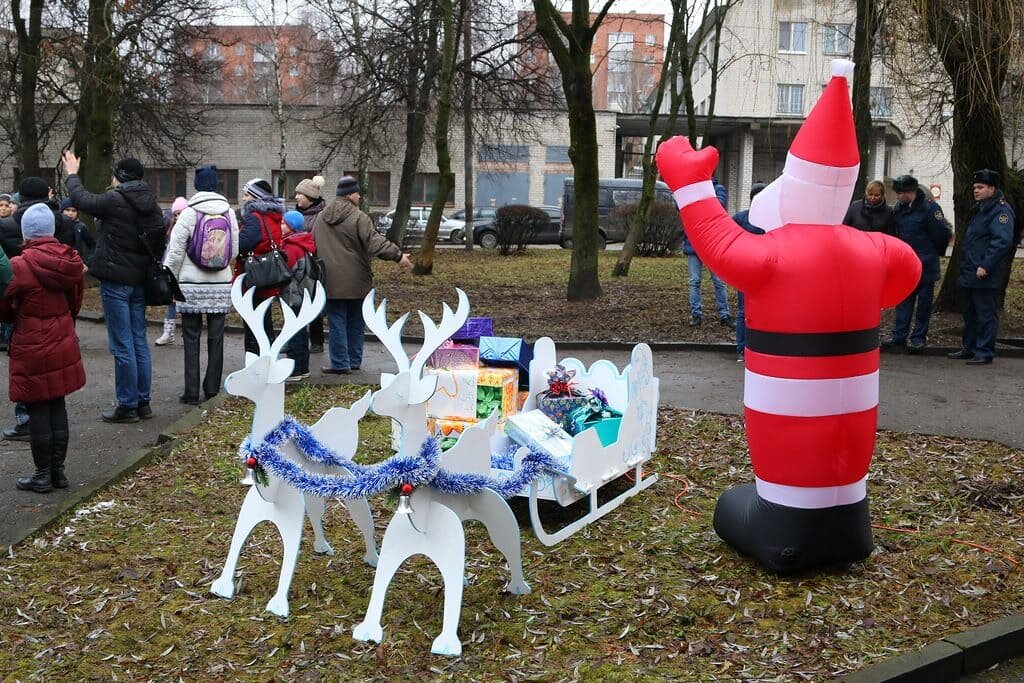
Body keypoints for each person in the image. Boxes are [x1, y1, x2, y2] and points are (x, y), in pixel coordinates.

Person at [62, 151, 165, 423]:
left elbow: (81, 199)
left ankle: (127, 405)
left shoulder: (115, 200)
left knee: (122, 344)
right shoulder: (153, 206)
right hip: (139, 282)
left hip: (116, 282)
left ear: (120, 177)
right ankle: (143, 402)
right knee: (138, 341)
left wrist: (72, 174)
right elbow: (159, 245)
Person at [0, 204, 85, 493]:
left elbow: (5, 305)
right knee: (57, 403)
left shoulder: (20, 265)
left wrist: (17, 319)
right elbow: (76, 299)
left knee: (38, 407)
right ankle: (58, 472)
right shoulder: (71, 259)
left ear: (26, 232)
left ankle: (42, 474)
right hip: (62, 336)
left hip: (32, 342)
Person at [311, 175, 411, 374]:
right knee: (356, 319)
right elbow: (375, 243)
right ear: (350, 195)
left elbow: (312, 243)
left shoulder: (321, 217)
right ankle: (354, 360)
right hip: (357, 278)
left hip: (330, 278)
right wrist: (398, 256)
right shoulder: (359, 217)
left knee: (336, 320)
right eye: (358, 193)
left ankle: (340, 362)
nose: (360, 197)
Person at [163, 166, 240, 403]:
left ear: (196, 185)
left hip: (191, 284)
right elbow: (234, 250)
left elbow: (175, 252)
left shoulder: (188, 213)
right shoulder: (229, 212)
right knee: (216, 338)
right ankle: (212, 388)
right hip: (220, 284)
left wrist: (171, 278)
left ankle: (191, 392)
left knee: (191, 337)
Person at [948, 169, 1016, 365]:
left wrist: (986, 265)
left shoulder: (1000, 211)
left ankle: (985, 351)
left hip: (985, 272)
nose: (975, 191)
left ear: (992, 189)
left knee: (985, 313)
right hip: (971, 270)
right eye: (974, 187)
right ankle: (969, 348)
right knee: (970, 313)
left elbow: (1001, 241)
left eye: (980, 187)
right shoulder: (980, 209)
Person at [886, 174, 951, 353]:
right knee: (903, 301)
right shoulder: (899, 209)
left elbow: (941, 234)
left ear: (911, 192)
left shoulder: (930, 209)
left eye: (900, 193)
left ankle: (918, 338)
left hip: (925, 263)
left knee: (923, 304)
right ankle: (899, 336)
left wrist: (932, 254)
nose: (898, 196)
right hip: (905, 265)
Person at [236, 177, 285, 354]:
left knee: (253, 321)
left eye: (246, 195)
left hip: (254, 277)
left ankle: (255, 359)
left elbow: (242, 245)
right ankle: (268, 355)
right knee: (265, 319)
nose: (243, 199)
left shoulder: (254, 218)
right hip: (269, 275)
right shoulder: (273, 216)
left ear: (256, 197)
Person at [682, 179, 731, 327]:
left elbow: (718, 205)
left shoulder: (718, 188)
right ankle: (696, 315)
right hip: (694, 244)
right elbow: (680, 206)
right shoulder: (691, 190)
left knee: (719, 282)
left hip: (712, 245)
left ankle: (724, 315)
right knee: (694, 282)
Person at [279, 210, 317, 381]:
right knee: (301, 331)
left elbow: (286, 271)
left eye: (283, 224)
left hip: (293, 295)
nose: (280, 226)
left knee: (294, 332)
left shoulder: (291, 247)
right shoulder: (302, 243)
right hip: (302, 294)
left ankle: (294, 369)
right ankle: (303, 368)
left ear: (291, 227)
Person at [732, 181, 767, 362]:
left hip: (767, 273)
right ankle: (742, 349)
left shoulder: (773, 220)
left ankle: (762, 349)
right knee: (743, 311)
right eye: (756, 198)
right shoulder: (740, 219)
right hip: (745, 272)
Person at [294, 175, 327, 354]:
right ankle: (294, 339)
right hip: (296, 263)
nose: (297, 197)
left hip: (313, 264)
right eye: (296, 194)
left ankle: (317, 341)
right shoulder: (295, 214)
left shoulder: (322, 215)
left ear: (310, 197)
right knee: (294, 301)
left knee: (314, 301)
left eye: (300, 194)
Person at [155, 196, 188, 346]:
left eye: (180, 213)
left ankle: (188, 333)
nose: (178, 216)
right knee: (172, 301)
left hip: (184, 271)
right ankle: (168, 332)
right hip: (171, 270)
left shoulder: (189, 228)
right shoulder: (171, 229)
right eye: (175, 214)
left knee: (186, 304)